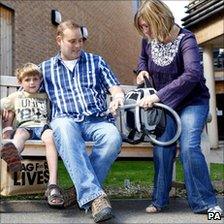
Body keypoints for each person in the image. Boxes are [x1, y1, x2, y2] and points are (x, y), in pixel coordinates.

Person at [134, 0, 223, 216]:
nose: (145, 31)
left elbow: (192, 74)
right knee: (162, 147)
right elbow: (143, 59)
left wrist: (158, 95)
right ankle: (159, 200)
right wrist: (142, 71)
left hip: (192, 102)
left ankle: (205, 202)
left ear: (160, 20)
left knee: (189, 146)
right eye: (142, 27)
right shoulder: (148, 41)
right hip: (165, 105)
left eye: (148, 26)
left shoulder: (186, 39)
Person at [39, 20, 124, 223]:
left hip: (96, 119)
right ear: (59, 40)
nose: (78, 45)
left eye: (81, 41)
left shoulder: (97, 61)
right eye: (72, 41)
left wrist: (118, 97)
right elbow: (28, 93)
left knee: (113, 137)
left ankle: (79, 192)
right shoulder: (45, 68)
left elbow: (114, 87)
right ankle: (95, 198)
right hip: (65, 120)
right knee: (66, 131)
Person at [0, 63, 64, 207]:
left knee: (50, 137)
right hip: (25, 127)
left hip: (43, 127)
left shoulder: (45, 96)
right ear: (20, 82)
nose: (32, 83)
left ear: (40, 80)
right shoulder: (16, 96)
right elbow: (2, 105)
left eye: (35, 79)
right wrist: (5, 120)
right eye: (27, 80)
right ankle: (12, 153)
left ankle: (52, 185)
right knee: (20, 135)